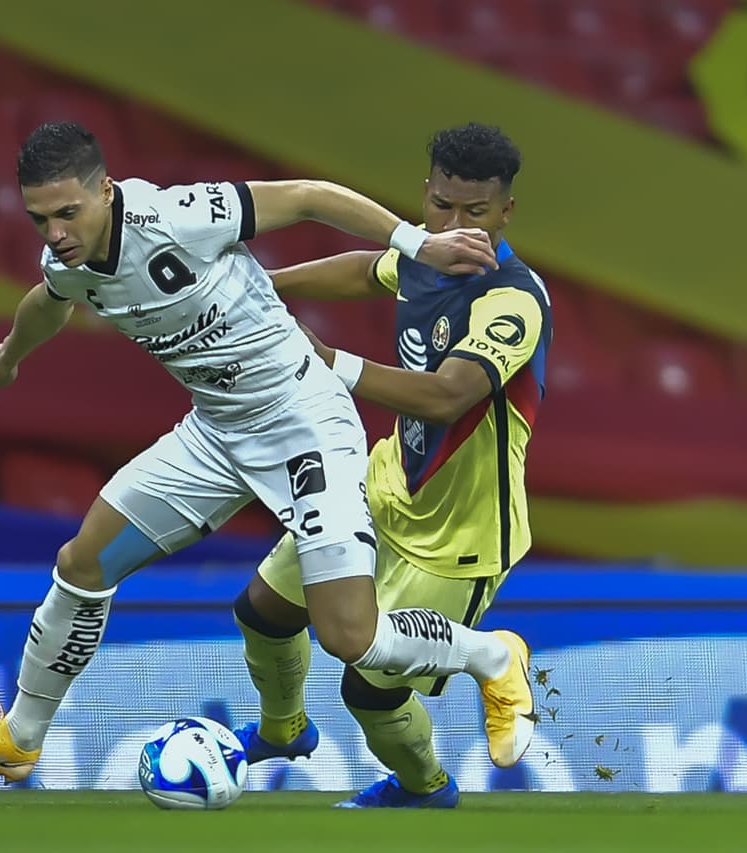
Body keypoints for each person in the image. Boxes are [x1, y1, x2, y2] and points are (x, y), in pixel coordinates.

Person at [0, 121, 525, 783]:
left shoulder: (176, 217)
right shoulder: (65, 259)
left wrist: (417, 241)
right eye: (41, 219)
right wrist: (8, 356)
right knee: (82, 562)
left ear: (107, 191)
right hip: (215, 432)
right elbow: (51, 300)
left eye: (68, 212)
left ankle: (490, 657)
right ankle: (20, 736)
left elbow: (309, 195)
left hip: (303, 421)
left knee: (351, 636)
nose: (56, 232)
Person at [230, 123, 549, 808]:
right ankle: (283, 728)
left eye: (476, 213)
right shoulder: (425, 255)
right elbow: (367, 268)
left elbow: (446, 395)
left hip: (461, 532)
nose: (454, 225)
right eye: (441, 206)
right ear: (425, 194)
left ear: (506, 214)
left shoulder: (513, 300)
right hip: (384, 487)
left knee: (370, 687)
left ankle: (424, 783)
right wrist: (264, 285)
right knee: (263, 609)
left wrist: (330, 361)